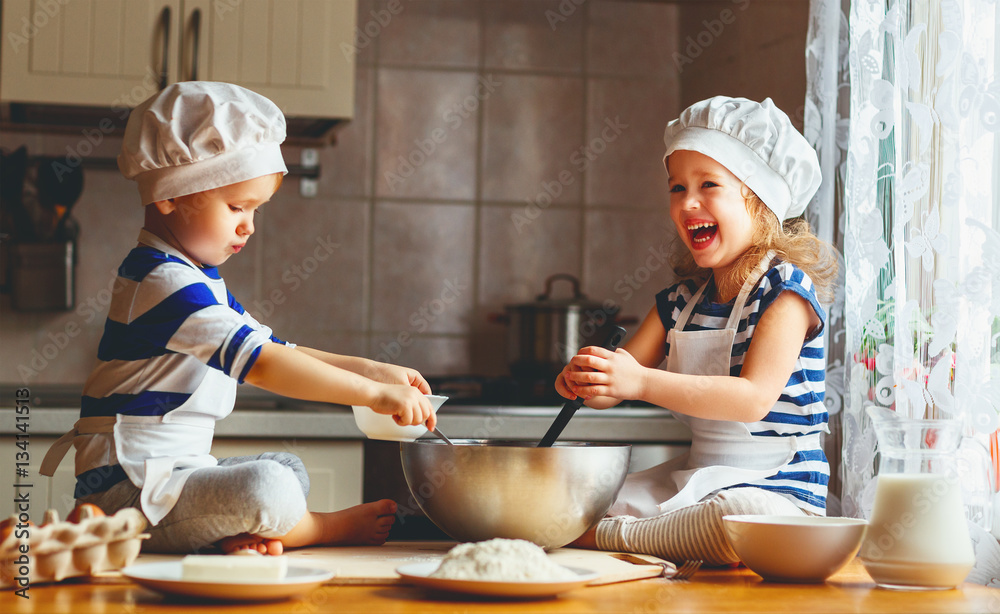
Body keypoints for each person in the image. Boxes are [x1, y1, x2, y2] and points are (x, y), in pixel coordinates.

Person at [40, 82, 438, 556]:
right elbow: (264, 364)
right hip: (127, 495)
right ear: (171, 195)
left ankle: (233, 536)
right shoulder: (161, 282)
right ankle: (319, 528)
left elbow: (276, 346)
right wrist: (374, 395)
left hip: (173, 480)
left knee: (285, 467)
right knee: (269, 486)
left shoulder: (194, 277)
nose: (249, 225)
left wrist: (371, 370)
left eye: (254, 210)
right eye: (237, 207)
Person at [556, 96, 837, 566]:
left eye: (709, 185)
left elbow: (752, 398)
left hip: (777, 490)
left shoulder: (786, 291)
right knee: (575, 496)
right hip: (698, 476)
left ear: (761, 200)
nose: (688, 202)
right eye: (676, 188)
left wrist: (641, 383)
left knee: (737, 518)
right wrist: (591, 381)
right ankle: (639, 533)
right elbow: (621, 377)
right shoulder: (681, 301)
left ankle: (615, 537)